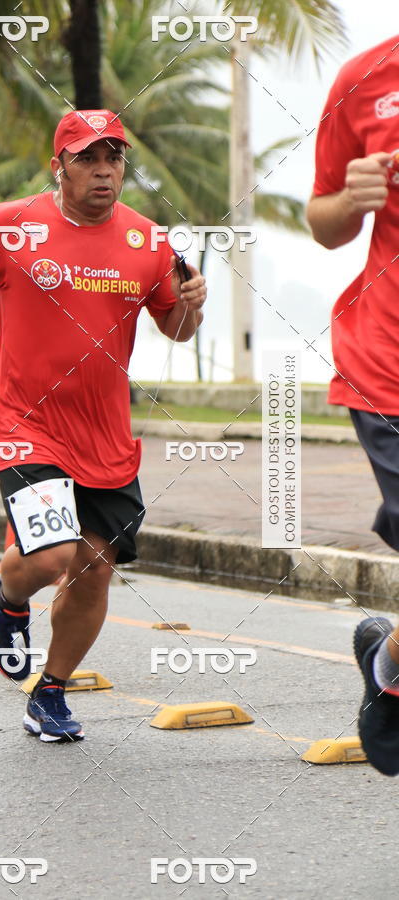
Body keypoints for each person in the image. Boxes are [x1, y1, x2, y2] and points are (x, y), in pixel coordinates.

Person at [0, 109, 207, 742]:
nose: (104, 170)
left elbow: (177, 329)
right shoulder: (12, 225)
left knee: (95, 568)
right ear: (60, 167)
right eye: (87, 158)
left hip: (105, 435)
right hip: (27, 423)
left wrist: (193, 308)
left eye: (114, 158)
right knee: (52, 554)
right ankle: (8, 596)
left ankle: (49, 693)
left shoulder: (149, 243)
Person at [307, 35, 399, 775]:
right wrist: (352, 197)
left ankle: (386, 661)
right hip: (387, 366)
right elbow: (324, 220)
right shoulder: (364, 78)